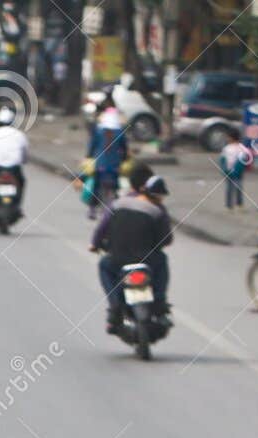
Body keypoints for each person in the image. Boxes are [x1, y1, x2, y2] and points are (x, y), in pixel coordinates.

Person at [90, 170, 173, 334]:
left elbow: (102, 228)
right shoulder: (157, 211)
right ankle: (160, 300)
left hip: (117, 259)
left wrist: (95, 244)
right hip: (147, 260)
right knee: (162, 260)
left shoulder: (118, 204)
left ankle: (114, 304)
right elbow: (166, 240)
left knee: (104, 265)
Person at [85, 97, 129, 219]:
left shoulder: (99, 131)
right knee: (116, 187)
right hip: (115, 166)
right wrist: (124, 158)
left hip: (101, 166)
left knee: (96, 187)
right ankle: (114, 208)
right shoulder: (120, 133)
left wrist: (88, 155)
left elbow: (92, 146)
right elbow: (124, 149)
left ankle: (92, 209)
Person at [219, 127, 249, 211]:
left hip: (234, 172)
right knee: (235, 188)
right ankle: (234, 205)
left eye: (228, 137)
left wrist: (226, 169)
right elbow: (223, 159)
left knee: (234, 188)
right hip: (232, 172)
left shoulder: (235, 148)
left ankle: (234, 205)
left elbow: (223, 159)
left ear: (231, 138)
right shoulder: (231, 148)